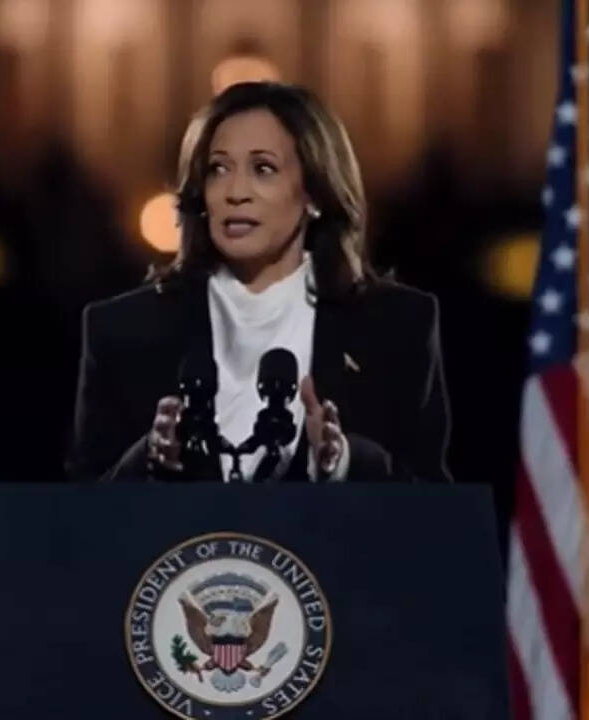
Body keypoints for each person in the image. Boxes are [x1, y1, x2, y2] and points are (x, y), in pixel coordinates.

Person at [66, 81, 451, 483]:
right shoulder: (121, 331)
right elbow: (79, 509)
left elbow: (431, 505)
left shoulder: (397, 326)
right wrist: (148, 458)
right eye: (218, 169)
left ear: (315, 193)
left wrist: (345, 464)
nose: (235, 192)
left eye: (263, 169)